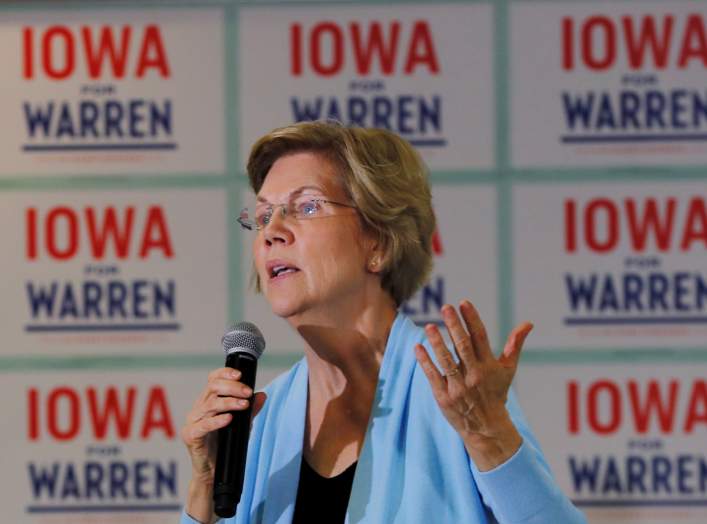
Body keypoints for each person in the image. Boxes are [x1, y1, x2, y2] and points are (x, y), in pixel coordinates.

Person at [179, 121, 586, 524]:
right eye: (264, 215)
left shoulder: (457, 396)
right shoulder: (259, 420)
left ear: (378, 242)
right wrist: (206, 488)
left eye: (307, 207)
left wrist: (491, 440)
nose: (273, 233)